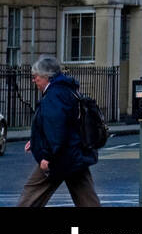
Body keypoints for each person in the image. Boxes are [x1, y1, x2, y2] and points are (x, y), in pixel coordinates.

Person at [19, 55, 100, 207]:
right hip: (76, 154)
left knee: (31, 196)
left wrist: (47, 157)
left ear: (46, 77)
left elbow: (57, 129)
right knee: (87, 200)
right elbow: (66, 125)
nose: (33, 80)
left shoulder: (54, 95)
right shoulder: (68, 91)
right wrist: (37, 140)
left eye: (35, 77)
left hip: (59, 157)